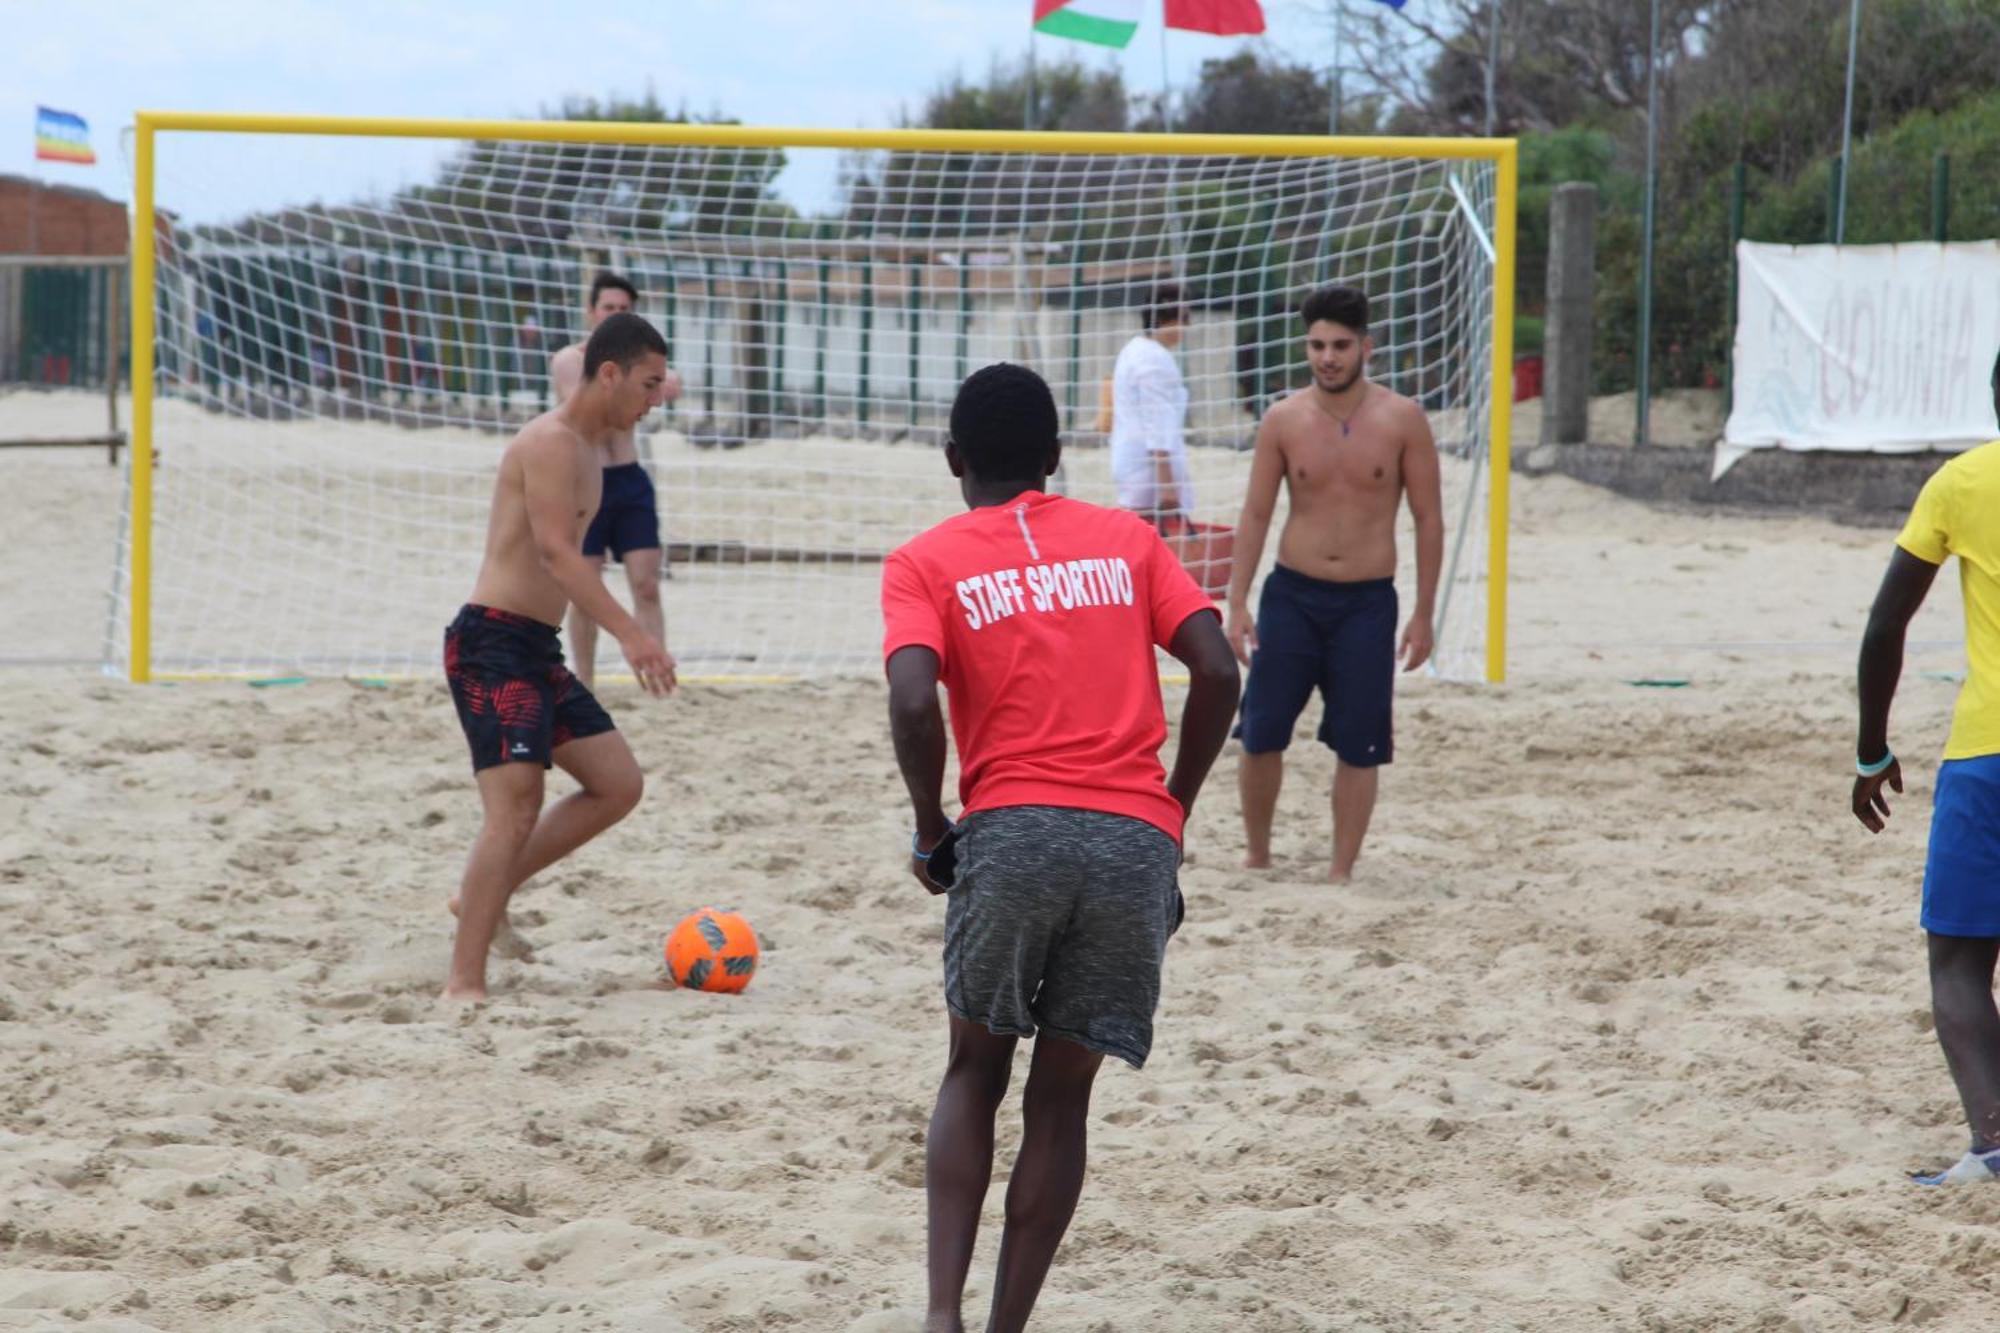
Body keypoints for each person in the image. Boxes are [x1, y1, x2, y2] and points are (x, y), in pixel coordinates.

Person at [883, 363, 1239, 1333]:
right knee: (1060, 1099)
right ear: (1054, 458)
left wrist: (928, 827)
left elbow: (914, 700)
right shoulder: (1124, 540)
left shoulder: (924, 560)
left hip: (1012, 831)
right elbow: (1215, 668)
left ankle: (939, 1315)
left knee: (972, 1070)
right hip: (1132, 840)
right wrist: (1171, 813)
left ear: (953, 460)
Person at [442, 311, 679, 1002]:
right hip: (490, 642)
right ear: (609, 373)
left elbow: (574, 570)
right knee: (514, 808)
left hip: (533, 647)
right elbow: (554, 554)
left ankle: (485, 892)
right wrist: (633, 634)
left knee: (618, 782)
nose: (656, 399)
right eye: (648, 383)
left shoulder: (594, 459)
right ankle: (463, 983)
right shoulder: (548, 442)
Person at [1225, 285, 1443, 882]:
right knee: (1262, 729)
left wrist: (1424, 614)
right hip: (1292, 594)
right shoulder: (1283, 419)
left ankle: (1341, 870)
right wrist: (1236, 601)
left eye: (1341, 345)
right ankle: (1258, 854)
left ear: (1366, 347)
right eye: (1318, 345)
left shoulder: (1403, 420)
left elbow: (1428, 518)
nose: (1328, 357)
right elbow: (1256, 514)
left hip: (1368, 603)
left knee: (1360, 739)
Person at [1852, 350, 2000, 1186]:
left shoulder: (1962, 484)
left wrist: (1873, 748)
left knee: (1958, 963)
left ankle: (1994, 1143)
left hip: (1988, 754)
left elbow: (1884, 626)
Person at [550, 271, 685, 687]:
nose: (615, 314)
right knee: (585, 591)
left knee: (646, 584)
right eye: (609, 307)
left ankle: (657, 677)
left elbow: (670, 387)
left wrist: (647, 384)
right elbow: (597, 411)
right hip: (589, 480)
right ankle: (585, 681)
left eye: (624, 310)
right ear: (591, 312)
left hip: (629, 479)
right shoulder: (570, 359)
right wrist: (641, 385)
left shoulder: (643, 366)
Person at [1109, 283, 1194, 527]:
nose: (1187, 326)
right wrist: (1166, 484)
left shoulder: (1134, 349)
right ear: (1166, 318)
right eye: (1184, 317)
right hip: (1148, 470)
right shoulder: (1153, 358)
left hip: (1132, 463)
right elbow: (1157, 421)